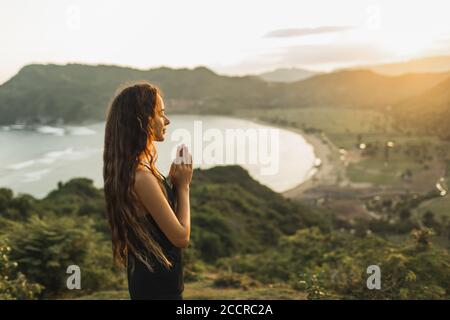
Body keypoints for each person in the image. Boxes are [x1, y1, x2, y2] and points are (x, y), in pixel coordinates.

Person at [103, 82, 193, 299]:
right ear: (142, 120)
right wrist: (183, 187)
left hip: (152, 283)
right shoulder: (141, 177)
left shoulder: (135, 170)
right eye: (161, 113)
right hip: (157, 289)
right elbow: (180, 237)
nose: (167, 120)